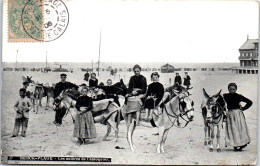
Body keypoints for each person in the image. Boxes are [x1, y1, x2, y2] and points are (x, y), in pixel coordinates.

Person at [223, 83, 252, 151]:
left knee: (239, 129)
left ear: (236, 89)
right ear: (228, 89)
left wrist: (243, 108)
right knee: (232, 129)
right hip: (230, 114)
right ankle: (235, 145)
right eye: (230, 89)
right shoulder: (225, 96)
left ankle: (242, 144)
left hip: (238, 114)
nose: (232, 90)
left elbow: (250, 102)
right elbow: (219, 100)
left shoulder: (239, 96)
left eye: (233, 89)